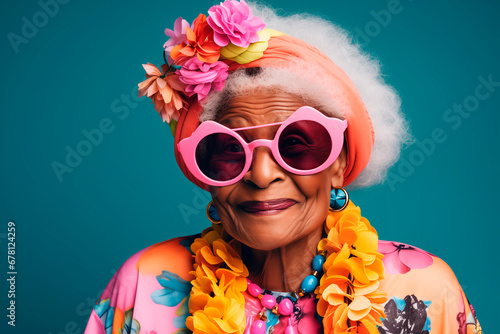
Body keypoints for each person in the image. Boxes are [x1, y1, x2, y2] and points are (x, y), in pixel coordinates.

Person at [84, 1, 481, 333]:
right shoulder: (145, 280)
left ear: (339, 163)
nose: (260, 175)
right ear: (205, 175)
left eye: (295, 145)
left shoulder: (423, 289)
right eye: (228, 149)